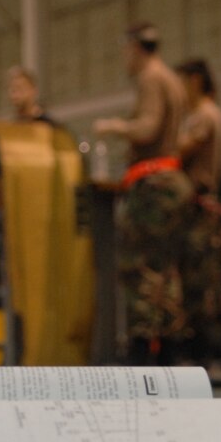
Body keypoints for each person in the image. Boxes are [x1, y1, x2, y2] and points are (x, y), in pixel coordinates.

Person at [93, 22, 195, 366]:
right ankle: (167, 351)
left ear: (135, 47)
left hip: (152, 184)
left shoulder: (151, 78)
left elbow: (148, 127)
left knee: (138, 269)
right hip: (171, 179)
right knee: (165, 270)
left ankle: (142, 356)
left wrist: (113, 125)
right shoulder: (171, 79)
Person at [176, 58, 221, 363]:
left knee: (201, 286)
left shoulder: (205, 116)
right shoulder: (196, 115)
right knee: (203, 284)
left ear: (194, 81)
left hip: (200, 210)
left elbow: (180, 152)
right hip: (194, 211)